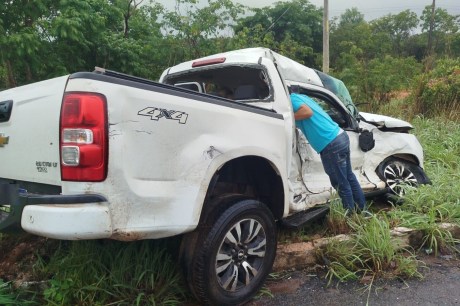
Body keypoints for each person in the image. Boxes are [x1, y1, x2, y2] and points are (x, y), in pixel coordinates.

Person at [290, 90, 367, 215]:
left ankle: (351, 216)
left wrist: (289, 117)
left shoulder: (291, 100)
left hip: (331, 143)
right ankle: (363, 211)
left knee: (341, 182)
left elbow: (307, 112)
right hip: (340, 136)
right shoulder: (301, 97)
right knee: (349, 177)